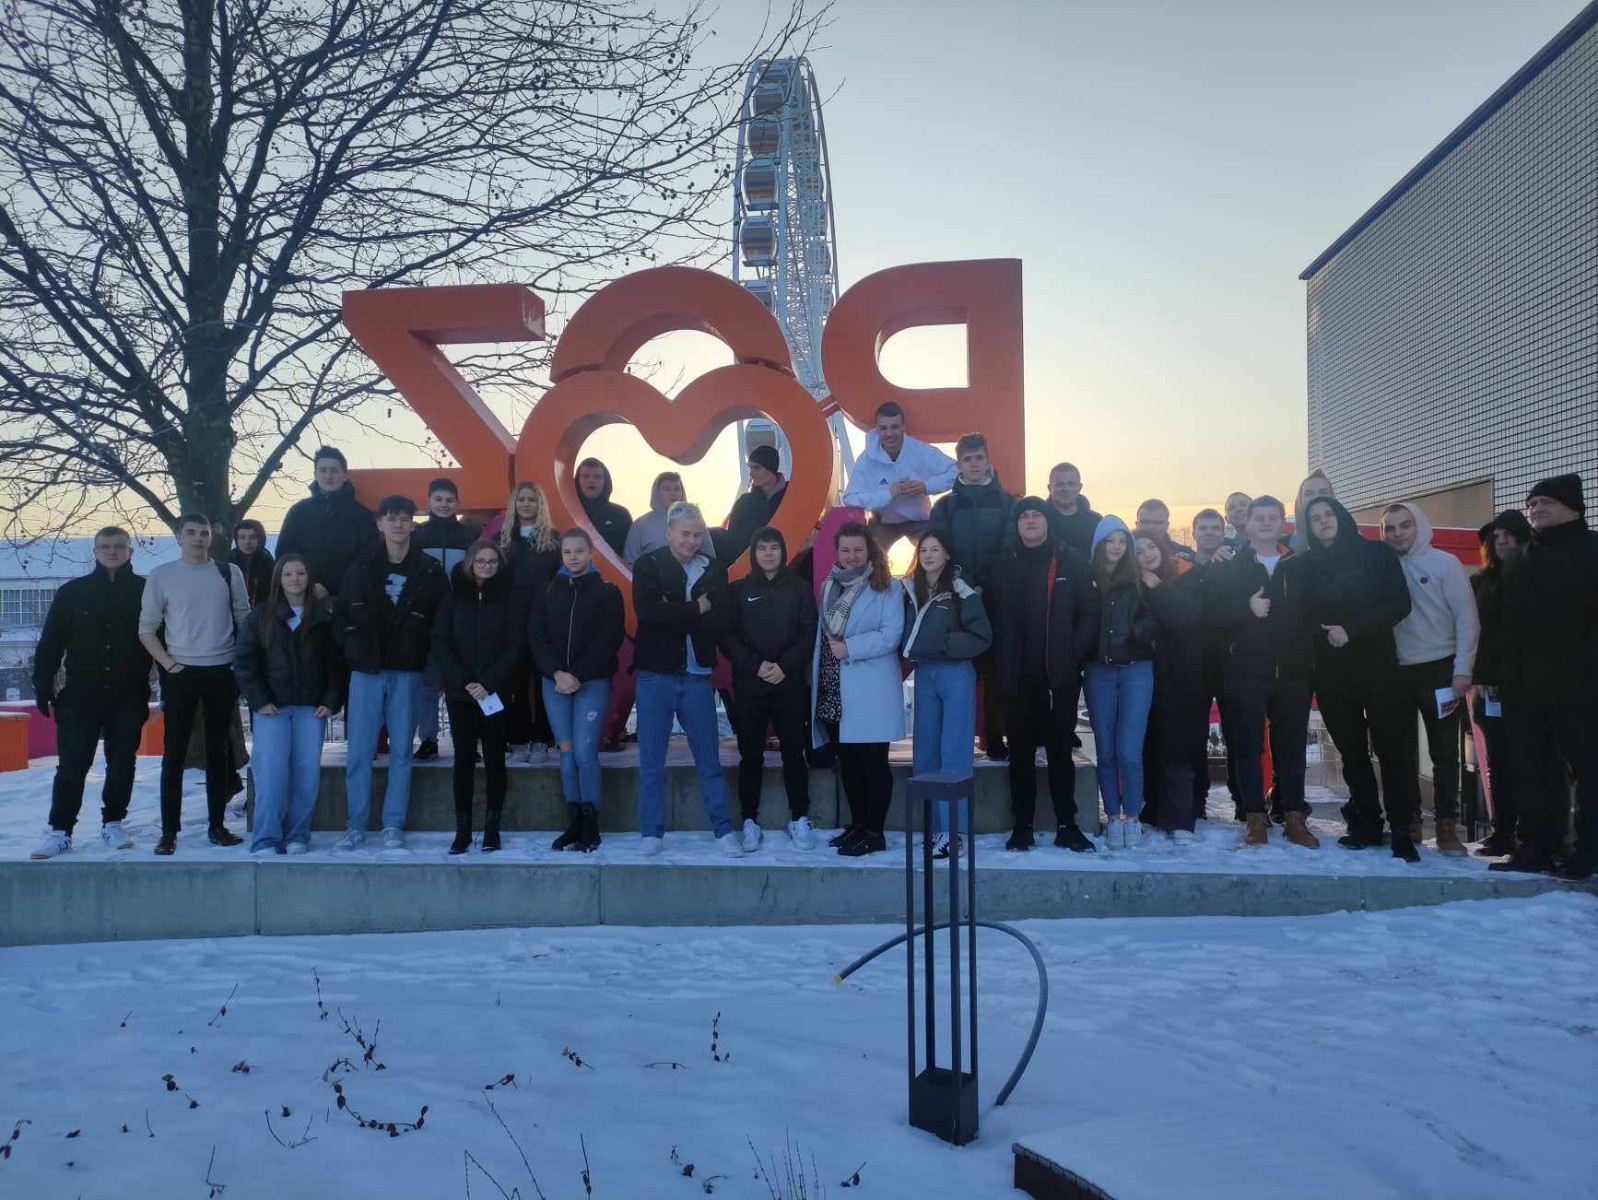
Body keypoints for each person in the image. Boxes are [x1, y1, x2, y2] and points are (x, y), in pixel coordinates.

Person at [1298, 495, 1420, 861]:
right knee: (1352, 754)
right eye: (1315, 518)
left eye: (1329, 514)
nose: (1323, 520)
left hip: (1378, 668)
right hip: (1332, 673)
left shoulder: (1376, 554)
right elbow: (1300, 615)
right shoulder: (1305, 565)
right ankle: (1367, 823)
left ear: (1341, 517)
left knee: (1393, 751)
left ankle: (1402, 830)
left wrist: (1351, 630)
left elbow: (1399, 603)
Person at [1491, 474, 1598, 880]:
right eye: (1532, 504)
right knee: (1531, 769)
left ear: (1574, 507)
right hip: (1525, 687)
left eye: (1546, 503)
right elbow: (1504, 626)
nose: (1536, 510)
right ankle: (1538, 847)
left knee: (1589, 770)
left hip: (1583, 683)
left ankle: (1588, 851)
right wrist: (1498, 675)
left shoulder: (1593, 550)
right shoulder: (1519, 560)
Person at [333, 495, 448, 852]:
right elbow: (342, 615)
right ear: (380, 523)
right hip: (366, 670)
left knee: (401, 751)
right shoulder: (361, 565)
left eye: (404, 518)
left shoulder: (430, 569)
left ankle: (393, 824)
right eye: (391, 518)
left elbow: (442, 622)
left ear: (413, 524)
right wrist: (352, 649)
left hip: (408, 670)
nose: (398, 524)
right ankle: (355, 825)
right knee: (359, 752)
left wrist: (431, 661)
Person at [28, 527, 152, 859]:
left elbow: (163, 641)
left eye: (119, 546)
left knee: (122, 763)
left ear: (130, 552)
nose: (112, 551)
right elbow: (51, 642)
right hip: (80, 695)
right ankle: (60, 831)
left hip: (128, 695)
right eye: (105, 546)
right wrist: (43, 684)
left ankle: (113, 823)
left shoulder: (146, 591)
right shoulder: (73, 592)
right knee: (71, 765)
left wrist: (169, 689)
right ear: (95, 552)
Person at [137, 514, 252, 854]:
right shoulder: (162, 575)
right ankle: (169, 832)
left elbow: (245, 620)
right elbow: (146, 628)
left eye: (204, 533)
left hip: (221, 672)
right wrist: (169, 665)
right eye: (191, 533)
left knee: (218, 753)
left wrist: (238, 662)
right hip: (181, 674)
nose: (198, 538)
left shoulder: (229, 573)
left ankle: (217, 826)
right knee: (174, 754)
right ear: (178, 537)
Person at [988, 498, 1097, 852]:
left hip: (1058, 678)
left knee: (1060, 753)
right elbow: (988, 616)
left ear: (1048, 522)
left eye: (1038, 515)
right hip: (1016, 678)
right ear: (1017, 524)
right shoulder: (1002, 564)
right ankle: (1022, 825)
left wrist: (1072, 656)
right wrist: (999, 662)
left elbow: (1089, 613)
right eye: (1025, 516)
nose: (1031, 520)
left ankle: (1067, 824)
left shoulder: (1071, 561)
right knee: (1019, 755)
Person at [632, 502, 740, 855]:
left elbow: (722, 619)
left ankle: (724, 831)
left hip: (697, 677)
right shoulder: (648, 565)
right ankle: (651, 832)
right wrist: (696, 607)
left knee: (709, 757)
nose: (692, 541)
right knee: (651, 759)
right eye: (685, 534)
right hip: (655, 676)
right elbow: (649, 614)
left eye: (697, 534)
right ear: (669, 533)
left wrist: (675, 610)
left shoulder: (714, 568)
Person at [1217, 496, 1318, 849]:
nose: (1264, 523)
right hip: (1247, 670)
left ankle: (1294, 816)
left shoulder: (1299, 565)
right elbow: (1214, 615)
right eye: (1258, 517)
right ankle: (1254, 817)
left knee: (1292, 747)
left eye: (1271, 517)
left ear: (1282, 522)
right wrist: (1246, 608)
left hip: (1292, 670)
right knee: (1248, 745)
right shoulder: (1232, 566)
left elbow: (1313, 613)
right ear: (1247, 523)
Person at [1382, 500, 1480, 856]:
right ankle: (1408, 822)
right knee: (1400, 753)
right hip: (1396, 672)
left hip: (1440, 670)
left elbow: (1467, 617)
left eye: (1404, 525)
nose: (1398, 534)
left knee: (1444, 753)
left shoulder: (1445, 563)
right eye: (1390, 528)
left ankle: (1446, 827)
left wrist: (1463, 669)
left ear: (1419, 525)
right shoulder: (1382, 566)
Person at [231, 554, 342, 855]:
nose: (295, 579)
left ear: (309, 578)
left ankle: (297, 835)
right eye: (288, 574)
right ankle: (266, 838)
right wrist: (259, 699)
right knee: (271, 774)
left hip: (311, 708)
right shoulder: (261, 616)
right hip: (273, 708)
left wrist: (330, 699)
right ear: (279, 579)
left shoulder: (323, 616)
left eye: (301, 573)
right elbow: (244, 661)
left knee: (306, 774)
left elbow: (336, 663)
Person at [529, 528, 625, 854]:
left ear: (590, 553)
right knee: (567, 755)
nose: (573, 557)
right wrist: (557, 672)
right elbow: (536, 635)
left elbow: (609, 638)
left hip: (591, 683)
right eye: (567, 552)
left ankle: (590, 824)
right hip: (554, 683)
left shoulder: (607, 592)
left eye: (579, 551)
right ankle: (573, 823)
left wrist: (577, 674)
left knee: (585, 754)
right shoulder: (547, 591)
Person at [812, 521, 905, 856]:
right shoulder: (830, 585)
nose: (851, 556)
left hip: (870, 690)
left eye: (858, 550)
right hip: (835, 688)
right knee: (848, 763)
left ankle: (875, 831)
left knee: (873, 764)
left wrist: (850, 647)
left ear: (869, 551)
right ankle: (859, 824)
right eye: (845, 550)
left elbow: (891, 635)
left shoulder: (887, 587)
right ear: (837, 552)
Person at [722, 526, 817, 851]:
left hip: (789, 685)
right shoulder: (738, 590)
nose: (768, 553)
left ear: (783, 551)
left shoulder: (800, 589)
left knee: (794, 752)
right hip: (751, 685)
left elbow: (808, 634)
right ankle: (749, 820)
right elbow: (728, 637)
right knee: (750, 755)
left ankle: (800, 818)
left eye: (774, 547)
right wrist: (756, 666)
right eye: (762, 548)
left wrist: (784, 666)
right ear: (754, 553)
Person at [901, 530, 992, 858]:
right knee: (926, 751)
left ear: (947, 554)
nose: (928, 555)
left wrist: (949, 644)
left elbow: (982, 635)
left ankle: (955, 833)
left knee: (954, 751)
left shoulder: (960, 590)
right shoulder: (911, 589)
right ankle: (933, 828)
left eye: (935, 549)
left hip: (955, 673)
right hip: (925, 674)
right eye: (923, 550)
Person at [432, 540, 523, 855]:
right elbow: (441, 642)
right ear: (471, 563)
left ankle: (492, 829)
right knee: (463, 760)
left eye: (492, 561)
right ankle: (463, 831)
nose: (486, 566)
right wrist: (465, 681)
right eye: (481, 561)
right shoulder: (453, 597)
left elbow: (515, 645)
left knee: (496, 759)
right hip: (461, 694)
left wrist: (488, 682)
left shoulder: (509, 599)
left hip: (495, 693)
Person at [928, 432, 1015, 760]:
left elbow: (1010, 548)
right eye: (968, 459)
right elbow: (938, 549)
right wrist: (964, 587)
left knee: (996, 673)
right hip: (958, 600)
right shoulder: (945, 506)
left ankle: (995, 740)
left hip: (997, 600)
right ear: (959, 463)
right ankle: (957, 742)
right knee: (961, 674)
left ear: (988, 460)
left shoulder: (1008, 503)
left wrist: (987, 587)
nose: (974, 464)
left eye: (979, 458)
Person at [1084, 516, 1156, 848]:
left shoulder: (1139, 579)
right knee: (1106, 750)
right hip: (1098, 671)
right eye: (1109, 540)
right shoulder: (1087, 581)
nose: (1116, 547)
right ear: (1098, 545)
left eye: (1122, 541)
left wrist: (1135, 633)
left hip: (1135, 669)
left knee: (1129, 751)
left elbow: (1158, 619)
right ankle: (1113, 817)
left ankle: (1133, 817)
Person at [1136, 534, 1209, 840]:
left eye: (1151, 547)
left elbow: (1186, 619)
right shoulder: (1132, 586)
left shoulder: (1185, 577)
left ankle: (1181, 818)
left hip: (1182, 677)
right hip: (1146, 676)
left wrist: (1158, 588)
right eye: (1139, 551)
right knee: (1150, 746)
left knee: (1178, 749)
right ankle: (1153, 809)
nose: (1147, 554)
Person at [1470, 511, 1534, 859]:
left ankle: (1533, 835)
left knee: (1532, 763)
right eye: (1496, 536)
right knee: (1498, 762)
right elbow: (1473, 634)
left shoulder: (1537, 576)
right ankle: (1502, 832)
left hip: (1532, 686)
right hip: (1489, 689)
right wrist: (1478, 675)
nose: (1503, 540)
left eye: (1510, 533)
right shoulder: (1480, 583)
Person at [412, 477, 479, 761]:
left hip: (461, 620)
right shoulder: (417, 535)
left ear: (457, 503)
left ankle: (468, 741)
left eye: (449, 500)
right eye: (438, 499)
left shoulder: (469, 534)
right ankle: (428, 739)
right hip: (426, 621)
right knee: (427, 684)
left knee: (464, 682)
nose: (444, 505)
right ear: (428, 501)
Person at [498, 481, 562, 764]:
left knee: (543, 679)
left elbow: (559, 580)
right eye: (521, 499)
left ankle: (543, 740)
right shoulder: (502, 540)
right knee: (517, 681)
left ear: (540, 504)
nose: (526, 504)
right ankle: (518, 739)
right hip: (511, 621)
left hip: (544, 621)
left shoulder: (553, 540)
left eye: (532, 499)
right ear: (514, 504)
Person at [842, 401, 957, 552]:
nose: (889, 433)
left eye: (895, 427)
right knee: (869, 558)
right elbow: (849, 498)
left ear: (903, 427)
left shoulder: (920, 451)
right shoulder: (866, 459)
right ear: (877, 429)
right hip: (883, 523)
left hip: (919, 521)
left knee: (938, 553)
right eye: (884, 428)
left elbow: (956, 471)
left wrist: (926, 486)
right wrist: (888, 494)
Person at [275, 445, 379, 598]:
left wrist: (330, 587)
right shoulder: (299, 512)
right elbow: (285, 555)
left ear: (345, 475)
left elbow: (367, 560)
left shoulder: (362, 516)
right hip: (303, 596)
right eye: (323, 470)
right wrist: (306, 585)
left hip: (348, 597)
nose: (328, 476)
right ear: (315, 474)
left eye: (334, 471)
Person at [1188, 508, 1239, 819]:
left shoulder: (1234, 565)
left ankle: (1244, 803)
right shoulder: (1183, 568)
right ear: (1193, 532)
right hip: (1194, 662)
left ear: (1223, 532)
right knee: (1195, 734)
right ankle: (1197, 801)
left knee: (1236, 732)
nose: (1209, 533)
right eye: (1203, 528)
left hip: (1230, 661)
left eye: (1214, 528)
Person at [625, 472, 715, 565]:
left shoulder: (695, 521)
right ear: (657, 493)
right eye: (667, 489)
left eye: (677, 489)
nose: (673, 493)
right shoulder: (640, 525)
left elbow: (709, 557)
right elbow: (629, 563)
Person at [724, 446, 789, 566]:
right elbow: (732, 540)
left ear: (771, 468)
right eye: (750, 468)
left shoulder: (791, 496)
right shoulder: (744, 503)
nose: (751, 473)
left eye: (757, 468)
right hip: (751, 569)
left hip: (789, 564)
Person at [576, 456, 632, 558]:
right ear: (577, 481)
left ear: (605, 481)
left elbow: (629, 555)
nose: (591, 480)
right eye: (586, 476)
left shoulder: (620, 515)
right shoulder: (567, 513)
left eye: (597, 476)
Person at [1045, 462, 1101, 559]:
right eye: (1060, 484)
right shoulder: (1038, 522)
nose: (1066, 489)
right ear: (1050, 488)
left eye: (1071, 484)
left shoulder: (1096, 522)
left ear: (1080, 487)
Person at [228, 519, 275, 608]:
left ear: (260, 539)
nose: (247, 542)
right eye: (242, 537)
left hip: (262, 613)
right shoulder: (228, 562)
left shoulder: (269, 563)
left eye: (253, 537)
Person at [1288, 470, 1335, 553]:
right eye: (1309, 493)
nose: (1316, 497)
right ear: (1300, 501)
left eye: (1323, 492)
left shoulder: (1353, 542)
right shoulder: (1282, 547)